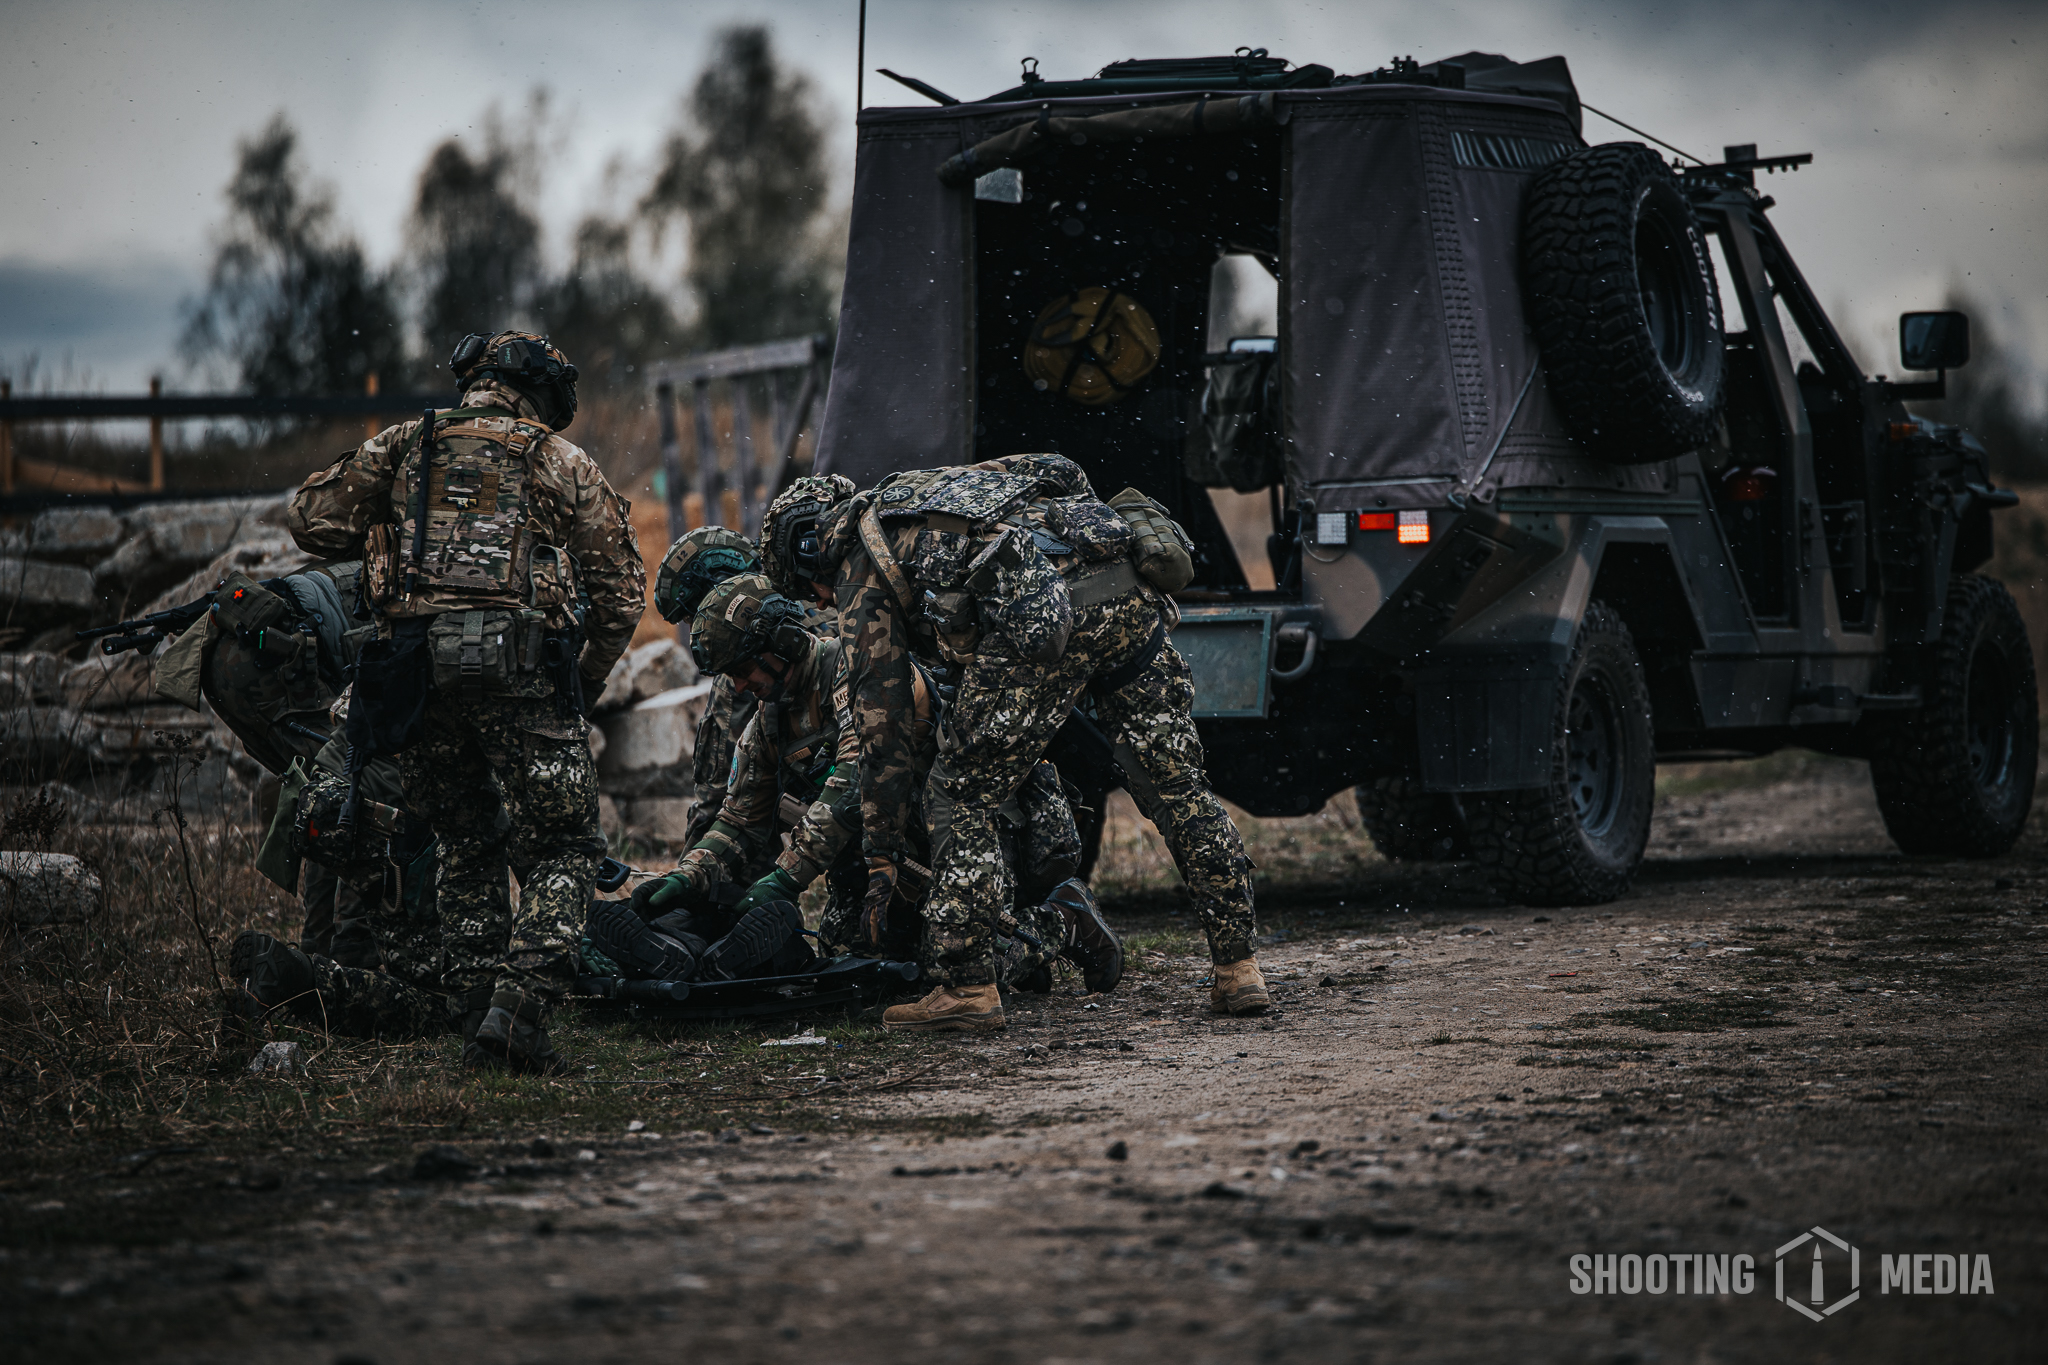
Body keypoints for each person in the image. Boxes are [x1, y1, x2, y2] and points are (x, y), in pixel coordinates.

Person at [758, 460, 1265, 1032]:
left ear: (807, 554)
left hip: (1043, 622)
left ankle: (968, 987)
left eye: (813, 592)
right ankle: (1238, 968)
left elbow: (883, 729)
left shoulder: (859, 564)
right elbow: (1061, 469)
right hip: (1126, 591)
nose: (823, 603)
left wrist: (881, 852)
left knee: (958, 795)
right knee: (1179, 789)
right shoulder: (927, 490)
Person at [286, 330, 644, 1073]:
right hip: (523, 677)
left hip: (418, 677)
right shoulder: (558, 459)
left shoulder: (405, 444)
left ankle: (477, 1005)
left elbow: (311, 520)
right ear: (543, 394)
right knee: (566, 847)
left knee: (465, 837)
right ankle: (517, 1009)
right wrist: (583, 681)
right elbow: (620, 590)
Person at [608, 573, 1118, 1013]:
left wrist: (787, 878)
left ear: (781, 645)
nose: (739, 687)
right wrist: (690, 874)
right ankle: (1006, 948)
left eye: (744, 671)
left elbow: (856, 780)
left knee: (950, 973)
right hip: (881, 869)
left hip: (961, 853)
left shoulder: (860, 670)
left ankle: (1063, 920)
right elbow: (740, 817)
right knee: (864, 975)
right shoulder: (770, 721)